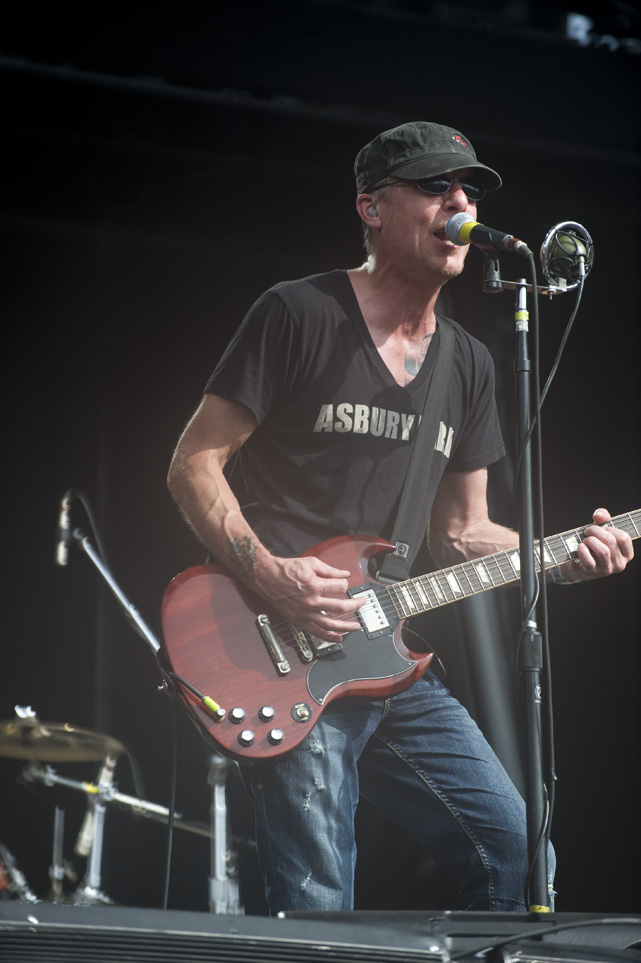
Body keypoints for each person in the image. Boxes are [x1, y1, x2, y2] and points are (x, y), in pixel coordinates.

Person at [167, 121, 634, 914]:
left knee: (520, 860)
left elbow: (462, 531)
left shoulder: (467, 362)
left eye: (469, 190)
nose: (459, 203)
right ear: (371, 207)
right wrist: (270, 575)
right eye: (434, 186)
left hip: (385, 655)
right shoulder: (298, 312)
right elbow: (192, 463)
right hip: (278, 651)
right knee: (318, 898)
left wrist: (562, 556)